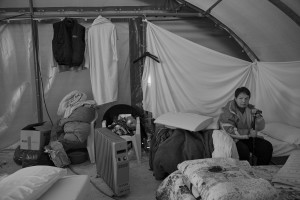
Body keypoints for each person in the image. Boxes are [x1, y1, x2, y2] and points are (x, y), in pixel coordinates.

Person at [218, 87, 273, 165]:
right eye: (241, 98)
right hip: (232, 138)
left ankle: (260, 170)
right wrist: (249, 133)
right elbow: (229, 130)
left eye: (246, 98)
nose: (244, 101)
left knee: (267, 147)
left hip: (247, 137)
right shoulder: (228, 110)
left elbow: (260, 128)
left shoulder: (251, 109)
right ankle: (244, 173)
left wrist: (259, 118)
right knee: (243, 151)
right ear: (235, 98)